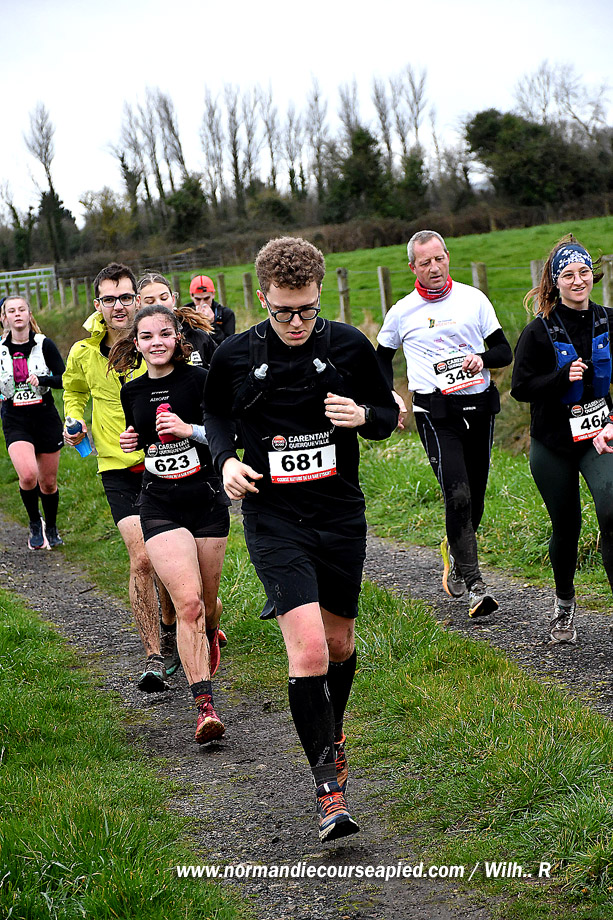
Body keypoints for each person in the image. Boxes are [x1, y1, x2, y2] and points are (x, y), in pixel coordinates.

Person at [203, 236, 397, 843]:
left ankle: (330, 733)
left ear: (319, 297)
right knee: (309, 649)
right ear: (263, 298)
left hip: (338, 515)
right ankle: (328, 790)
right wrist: (225, 462)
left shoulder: (348, 345)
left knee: (339, 644)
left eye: (307, 310)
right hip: (273, 517)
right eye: (284, 311)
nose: (296, 323)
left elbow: (387, 415)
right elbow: (215, 417)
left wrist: (364, 417)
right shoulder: (235, 355)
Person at [110, 304, 230, 743]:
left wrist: (188, 430)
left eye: (164, 333)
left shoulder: (201, 380)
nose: (156, 342)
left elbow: (228, 436)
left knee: (208, 605)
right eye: (146, 336)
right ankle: (205, 709)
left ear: (178, 337)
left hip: (207, 501)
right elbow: (146, 441)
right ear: (136, 344)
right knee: (189, 604)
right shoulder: (132, 391)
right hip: (159, 504)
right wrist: (133, 441)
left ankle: (210, 633)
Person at [377, 229, 512, 617]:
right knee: (458, 495)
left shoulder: (474, 299)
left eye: (439, 259)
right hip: (435, 413)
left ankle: (455, 551)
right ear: (412, 267)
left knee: (476, 497)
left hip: (478, 407)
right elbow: (380, 357)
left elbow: (503, 351)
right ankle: (475, 585)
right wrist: (389, 394)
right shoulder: (402, 311)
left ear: (448, 257)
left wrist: (481, 359)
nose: (434, 267)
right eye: (425, 262)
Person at [62, 262, 177, 690]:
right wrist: (75, 419)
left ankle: (173, 624)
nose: (118, 306)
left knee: (167, 560)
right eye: (109, 299)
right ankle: (153, 656)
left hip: (165, 460)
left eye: (126, 297)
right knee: (142, 557)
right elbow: (74, 390)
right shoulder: (82, 352)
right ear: (98, 304)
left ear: (137, 298)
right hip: (115, 465)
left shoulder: (156, 342)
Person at [512, 236, 613, 645]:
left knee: (611, 511)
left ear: (593, 275)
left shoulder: (608, 320)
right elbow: (520, 388)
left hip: (600, 436)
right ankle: (564, 602)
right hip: (553, 443)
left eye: (584, 272)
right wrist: (559, 378)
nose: (578, 280)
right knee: (567, 526)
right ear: (555, 282)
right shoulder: (537, 332)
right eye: (568, 274)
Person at [0, 294, 65, 549]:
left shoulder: (44, 344)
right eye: (11, 311)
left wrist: (44, 380)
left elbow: (64, 378)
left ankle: (52, 526)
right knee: (28, 475)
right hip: (15, 419)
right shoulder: (1, 350)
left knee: (48, 483)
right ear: (4, 318)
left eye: (21, 309)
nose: (17, 314)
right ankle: (35, 524)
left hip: (45, 417)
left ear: (29, 314)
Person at [136, 272, 217, 368]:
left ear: (173, 299)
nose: (159, 304)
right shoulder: (131, 346)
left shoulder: (197, 336)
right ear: (138, 303)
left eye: (164, 298)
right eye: (150, 301)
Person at [187, 275, 236, 346]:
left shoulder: (226, 313)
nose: (202, 303)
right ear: (191, 296)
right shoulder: (186, 313)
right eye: (198, 299)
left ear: (213, 294)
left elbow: (228, 345)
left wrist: (212, 324)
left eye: (206, 298)